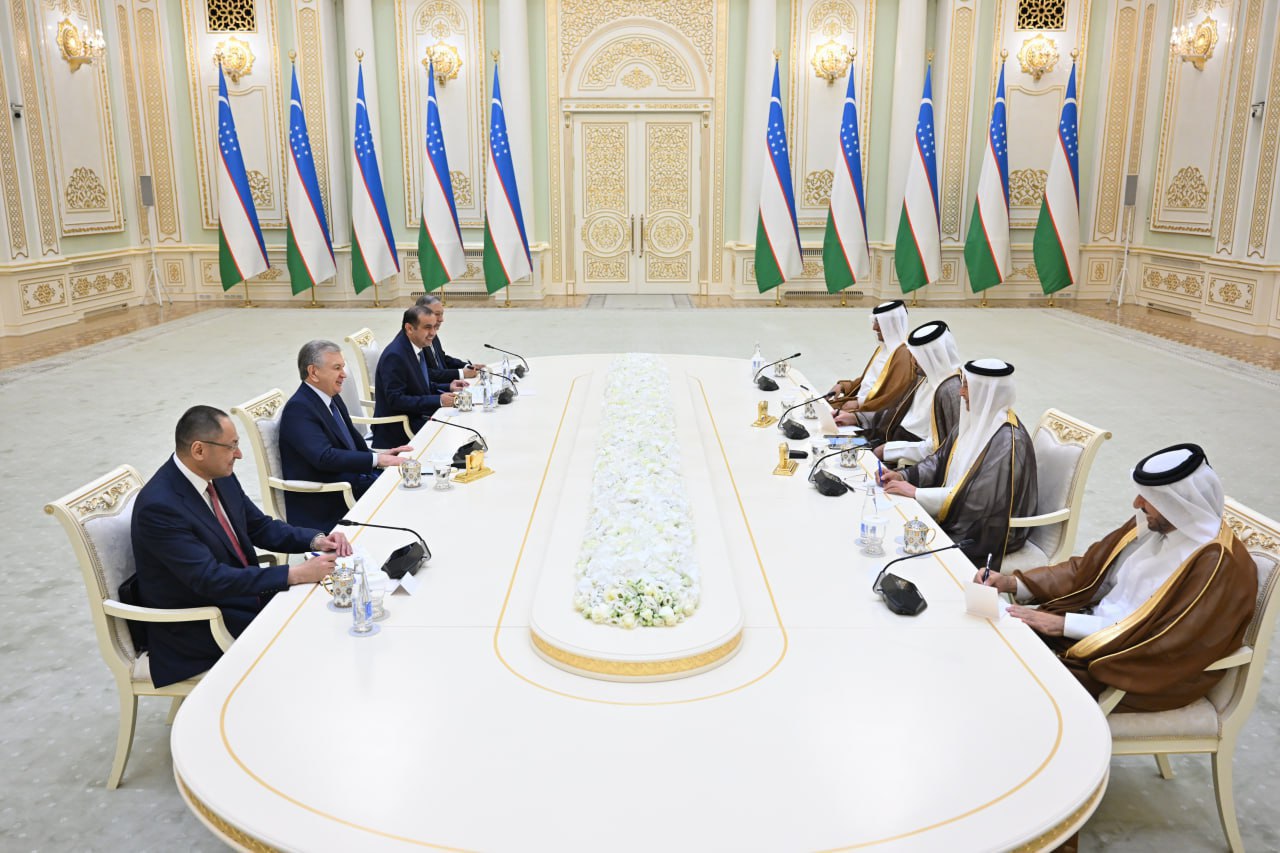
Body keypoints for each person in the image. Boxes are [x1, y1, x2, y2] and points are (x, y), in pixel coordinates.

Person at [979, 444, 1257, 712]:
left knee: (1013, 689)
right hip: (1096, 637)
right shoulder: (1154, 523)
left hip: (1136, 669)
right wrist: (1012, 583)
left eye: (1149, 498)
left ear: (1177, 503)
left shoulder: (1217, 566)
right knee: (992, 641)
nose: (1137, 503)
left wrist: (1065, 625)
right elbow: (1087, 570)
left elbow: (1165, 643)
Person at [131, 405, 352, 688]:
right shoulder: (160, 507)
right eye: (231, 446)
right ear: (199, 450)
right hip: (200, 623)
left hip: (240, 596)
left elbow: (259, 526)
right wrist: (294, 574)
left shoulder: (218, 474)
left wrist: (316, 539)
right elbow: (209, 579)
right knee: (309, 639)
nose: (239, 455)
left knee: (327, 609)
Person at [880, 358, 1037, 571]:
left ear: (986, 392)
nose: (961, 393)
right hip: (956, 511)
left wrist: (917, 493)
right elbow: (939, 460)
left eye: (967, 387)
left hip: (985, 530)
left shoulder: (1008, 441)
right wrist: (904, 476)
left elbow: (978, 503)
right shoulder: (974, 419)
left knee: (908, 551)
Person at [279, 340, 413, 530]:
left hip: (354, 481)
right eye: (337, 368)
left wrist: (380, 456)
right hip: (328, 500)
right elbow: (325, 457)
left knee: (411, 482)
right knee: (406, 498)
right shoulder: (299, 409)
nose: (344, 374)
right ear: (313, 372)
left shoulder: (331, 397)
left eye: (343, 367)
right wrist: (377, 460)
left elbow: (352, 442)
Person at [372, 305, 468, 448]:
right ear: (409, 328)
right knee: (458, 432)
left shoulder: (415, 345)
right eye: (427, 327)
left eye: (434, 327)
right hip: (400, 428)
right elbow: (396, 400)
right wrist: (438, 400)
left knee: (465, 418)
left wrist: (448, 386)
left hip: (418, 416)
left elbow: (419, 385)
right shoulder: (395, 356)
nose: (433, 333)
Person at [870, 320, 963, 466]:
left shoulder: (952, 392)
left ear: (931, 357)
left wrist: (888, 450)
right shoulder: (924, 377)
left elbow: (939, 448)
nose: (912, 361)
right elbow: (895, 410)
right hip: (891, 441)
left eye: (916, 356)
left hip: (909, 460)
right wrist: (856, 418)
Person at [829, 300, 916, 425]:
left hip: (872, 414)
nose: (874, 327)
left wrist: (859, 404)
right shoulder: (883, 348)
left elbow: (893, 397)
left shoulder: (904, 355)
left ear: (891, 324)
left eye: (879, 322)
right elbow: (869, 380)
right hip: (859, 404)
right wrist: (843, 386)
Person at [415, 293, 485, 379]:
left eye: (442, 314)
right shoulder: (415, 338)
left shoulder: (432, 332)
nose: (441, 319)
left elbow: (442, 359)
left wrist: (467, 366)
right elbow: (423, 374)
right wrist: (461, 373)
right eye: (437, 314)